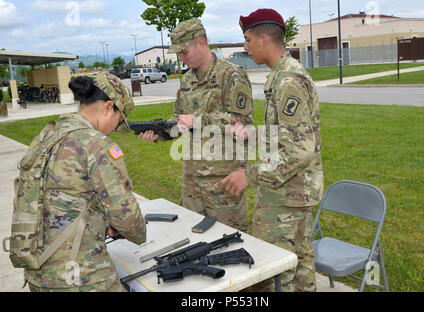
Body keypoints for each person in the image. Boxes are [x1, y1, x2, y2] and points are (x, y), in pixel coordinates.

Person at [220, 8, 324, 292]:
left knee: (271, 275)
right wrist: (249, 134)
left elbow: (299, 151)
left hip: (284, 201)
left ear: (264, 39)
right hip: (292, 195)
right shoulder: (282, 76)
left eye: (247, 39)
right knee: (300, 268)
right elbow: (286, 137)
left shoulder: (288, 81)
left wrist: (249, 176)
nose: (245, 47)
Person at [24, 74, 147, 292]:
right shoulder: (96, 145)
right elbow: (128, 219)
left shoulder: (48, 136)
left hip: (39, 270)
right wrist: (137, 232)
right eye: (118, 122)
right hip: (82, 277)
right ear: (108, 107)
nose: (113, 130)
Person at [139, 18, 254, 232]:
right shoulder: (187, 80)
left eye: (184, 52)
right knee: (192, 240)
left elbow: (242, 124)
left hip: (223, 181)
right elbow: (179, 120)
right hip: (192, 180)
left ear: (201, 42)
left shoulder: (231, 75)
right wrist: (161, 133)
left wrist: (197, 120)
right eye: (178, 54)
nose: (181, 59)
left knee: (228, 240)